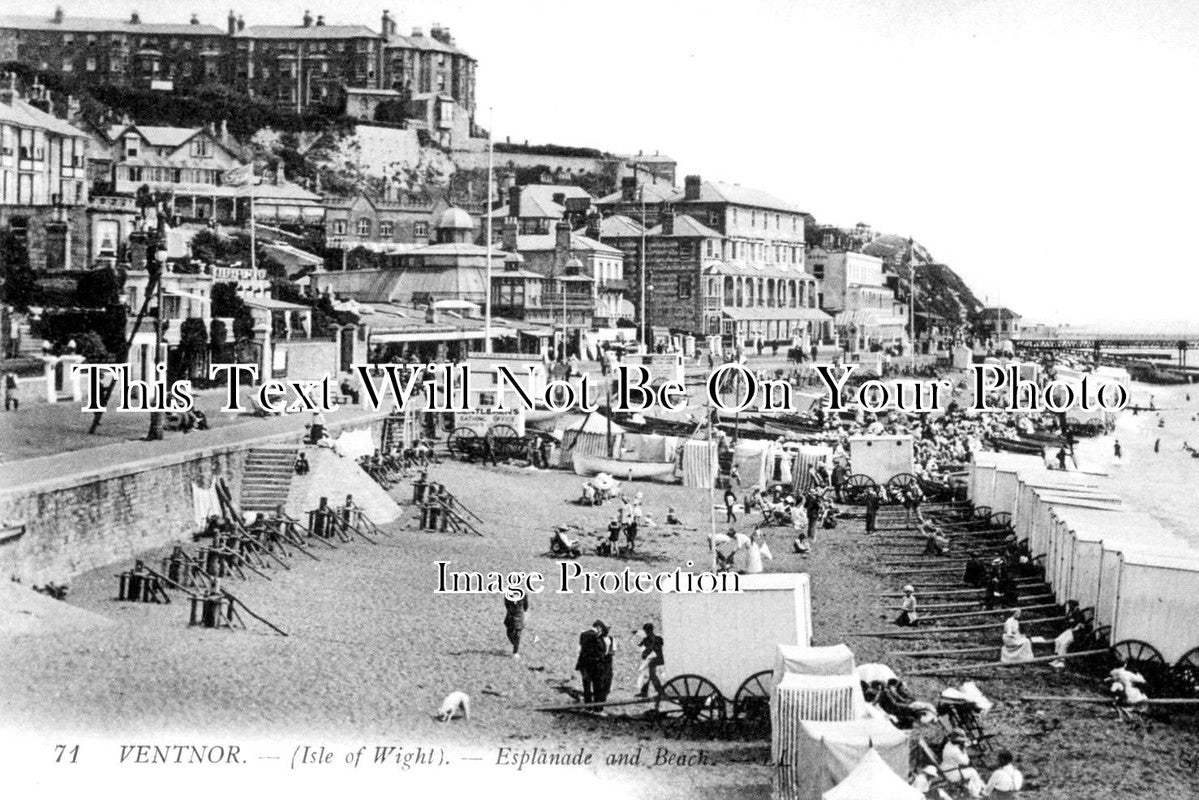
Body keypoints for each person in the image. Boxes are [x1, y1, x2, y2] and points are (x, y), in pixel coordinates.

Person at [939, 730, 984, 795]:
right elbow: (966, 762)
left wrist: (970, 743)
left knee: (971, 772)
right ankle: (975, 793)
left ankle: (979, 785)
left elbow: (960, 745)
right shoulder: (955, 751)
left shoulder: (948, 744)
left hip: (946, 768)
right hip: (951, 774)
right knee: (972, 771)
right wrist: (964, 749)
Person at [576, 624, 604, 705]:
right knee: (597, 686)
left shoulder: (583, 634)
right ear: (598, 628)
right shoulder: (596, 636)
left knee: (586, 685)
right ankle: (597, 707)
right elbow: (600, 649)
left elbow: (581, 647)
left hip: (583, 663)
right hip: (593, 664)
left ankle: (587, 705)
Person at [635, 623, 665, 698]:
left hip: (655, 659)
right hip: (651, 659)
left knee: (650, 676)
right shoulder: (648, 639)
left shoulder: (657, 639)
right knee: (650, 675)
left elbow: (654, 648)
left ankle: (657, 692)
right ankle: (656, 692)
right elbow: (640, 646)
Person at [503, 594, 529, 659]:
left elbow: (526, 606)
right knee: (509, 633)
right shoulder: (507, 595)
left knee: (517, 634)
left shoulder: (524, 595)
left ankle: (515, 652)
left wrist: (521, 611)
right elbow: (507, 605)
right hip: (510, 616)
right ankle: (516, 645)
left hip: (519, 615)